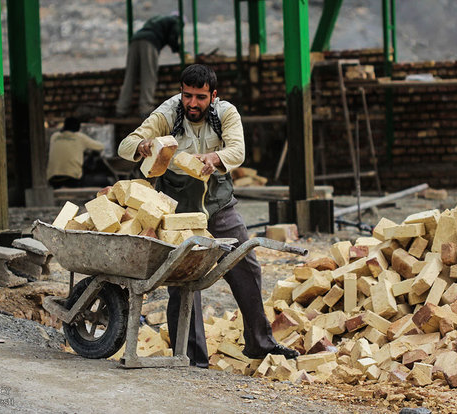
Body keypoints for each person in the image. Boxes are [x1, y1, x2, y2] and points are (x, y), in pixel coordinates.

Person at [118, 64, 299, 367]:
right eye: (187, 95)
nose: (192, 104)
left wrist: (215, 158)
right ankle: (191, 359)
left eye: (200, 98)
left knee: (246, 267)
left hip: (218, 205)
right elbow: (126, 145)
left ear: (213, 96)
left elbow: (238, 151)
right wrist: (144, 145)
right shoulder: (168, 113)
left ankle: (260, 343)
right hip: (178, 211)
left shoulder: (226, 113)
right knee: (182, 280)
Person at [115, 14, 182, 119]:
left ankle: (121, 109)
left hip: (135, 40)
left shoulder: (156, 18)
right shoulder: (176, 21)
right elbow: (173, 37)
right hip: (150, 42)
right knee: (148, 76)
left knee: (130, 76)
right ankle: (145, 110)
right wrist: (178, 50)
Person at [46, 117, 104, 189]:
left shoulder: (54, 136)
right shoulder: (79, 137)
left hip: (53, 179)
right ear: (78, 128)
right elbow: (101, 146)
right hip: (72, 179)